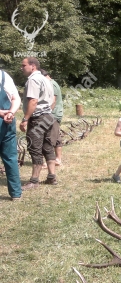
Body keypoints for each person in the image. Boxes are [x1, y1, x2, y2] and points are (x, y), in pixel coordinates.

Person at [19, 57, 59, 190]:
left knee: (34, 147)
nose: (21, 68)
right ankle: (51, 177)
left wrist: (25, 119)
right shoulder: (46, 79)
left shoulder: (33, 79)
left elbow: (33, 101)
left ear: (33, 66)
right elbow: (53, 100)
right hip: (48, 116)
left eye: (23, 65)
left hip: (37, 117)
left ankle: (34, 181)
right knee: (47, 146)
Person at [0, 69, 22, 201]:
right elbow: (16, 98)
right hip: (7, 121)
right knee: (11, 158)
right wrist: (11, 112)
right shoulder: (4, 75)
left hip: (5, 116)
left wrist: (4, 113)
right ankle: (16, 193)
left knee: (11, 157)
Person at [41, 69, 63, 165]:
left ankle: (49, 161)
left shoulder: (51, 84)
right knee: (56, 137)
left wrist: (47, 114)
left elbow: (53, 101)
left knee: (50, 138)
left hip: (52, 114)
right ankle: (57, 159)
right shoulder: (52, 83)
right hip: (55, 114)